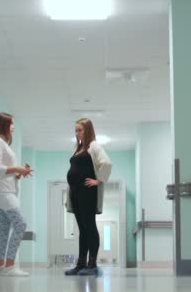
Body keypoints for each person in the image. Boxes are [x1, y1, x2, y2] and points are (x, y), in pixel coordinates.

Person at [64, 118, 112, 276]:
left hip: (87, 192)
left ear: (88, 131)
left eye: (80, 130)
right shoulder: (77, 148)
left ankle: (92, 265)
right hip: (76, 192)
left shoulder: (94, 146)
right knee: (82, 229)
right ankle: (81, 264)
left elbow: (106, 163)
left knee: (89, 226)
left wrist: (98, 180)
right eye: (76, 130)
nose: (77, 133)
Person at [0, 112, 32, 277]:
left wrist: (20, 174)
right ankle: (10, 265)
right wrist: (18, 169)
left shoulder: (3, 144)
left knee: (4, 228)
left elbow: (6, 171)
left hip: (7, 189)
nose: (13, 126)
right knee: (21, 224)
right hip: (3, 191)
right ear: (3, 125)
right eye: (11, 123)